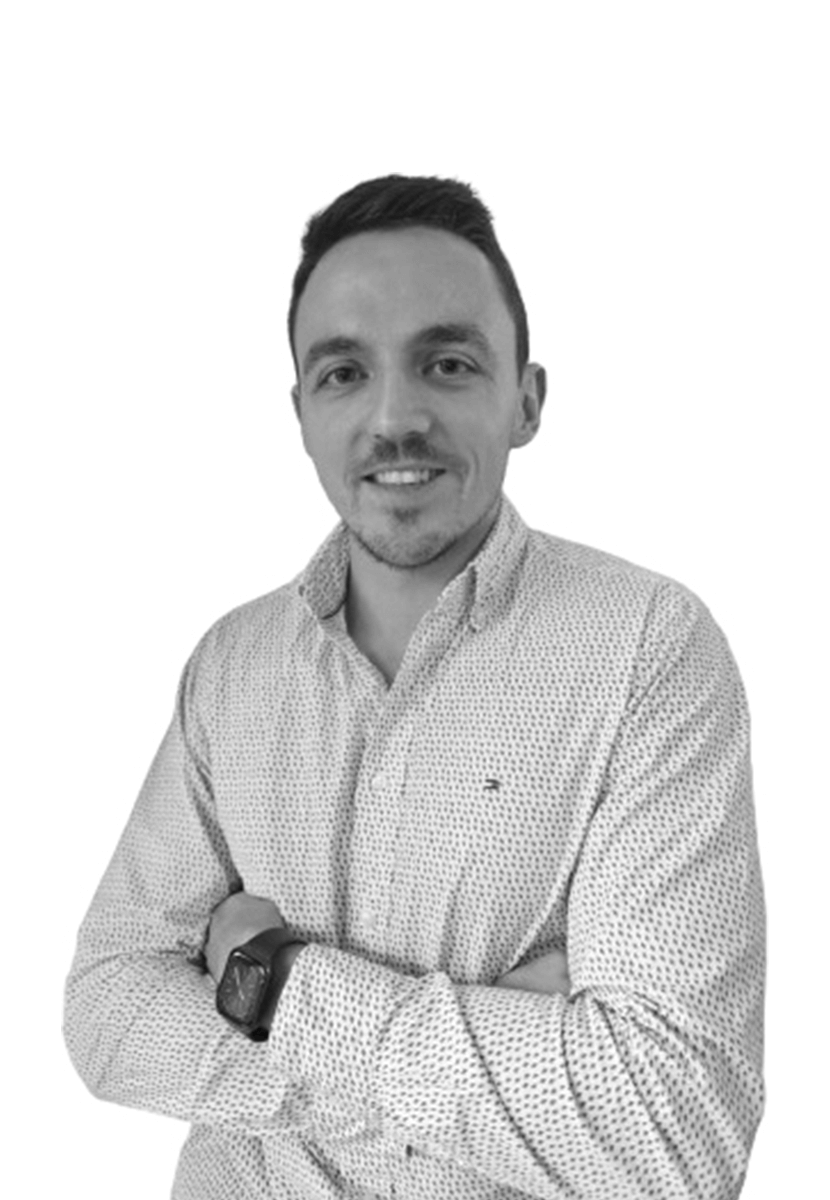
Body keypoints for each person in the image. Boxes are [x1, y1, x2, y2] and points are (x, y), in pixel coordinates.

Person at [63, 175, 766, 1200]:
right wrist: (494, 1062)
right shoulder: (231, 667)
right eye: (344, 373)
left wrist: (270, 980)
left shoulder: (647, 651)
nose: (395, 418)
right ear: (301, 413)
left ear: (525, 400)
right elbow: (107, 1009)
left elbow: (672, 1132)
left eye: (446, 363)